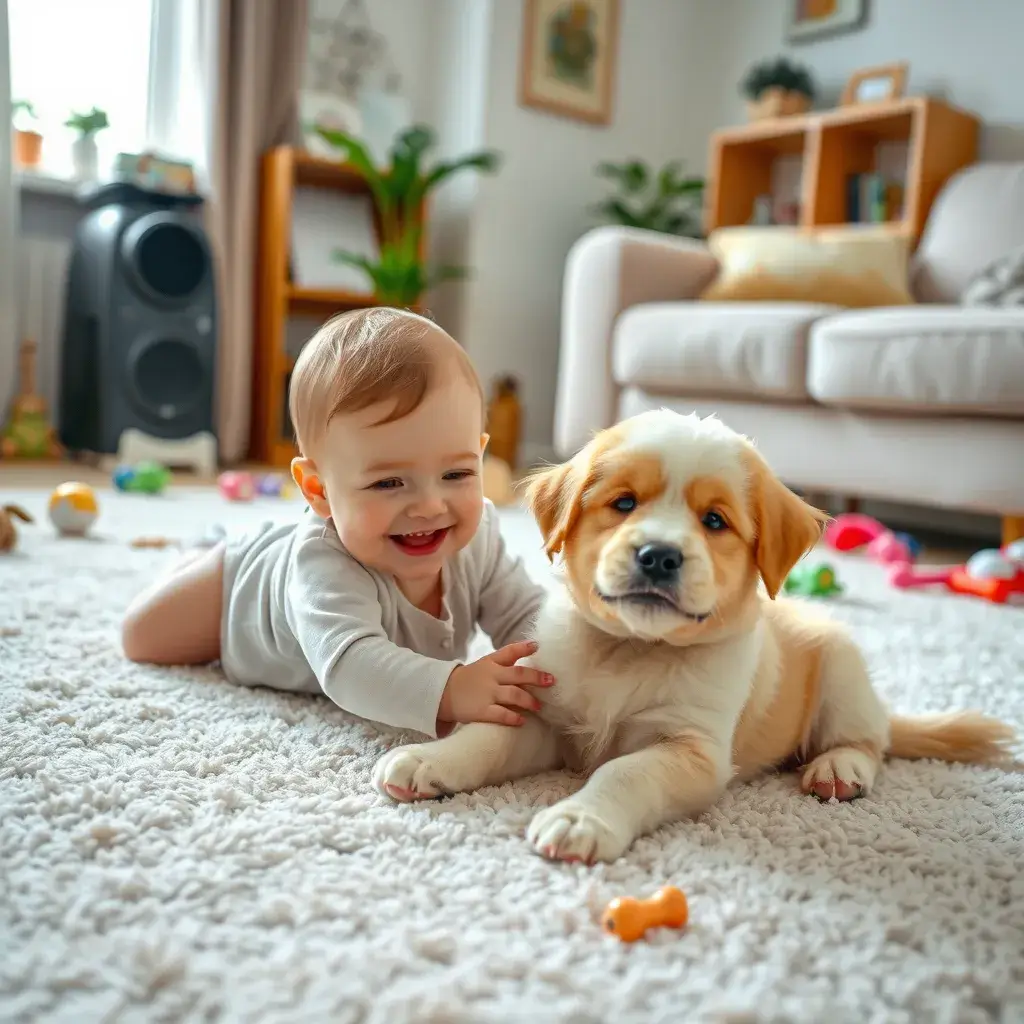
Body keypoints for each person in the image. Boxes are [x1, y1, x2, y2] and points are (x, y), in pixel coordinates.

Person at [121, 307, 553, 738]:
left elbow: (529, 617)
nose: (428, 506)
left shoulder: (480, 537)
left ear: (479, 456)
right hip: (241, 588)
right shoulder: (325, 559)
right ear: (318, 490)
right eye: (388, 482)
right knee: (140, 638)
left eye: (456, 474)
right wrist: (452, 689)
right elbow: (350, 664)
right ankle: (199, 554)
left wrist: (574, 656)